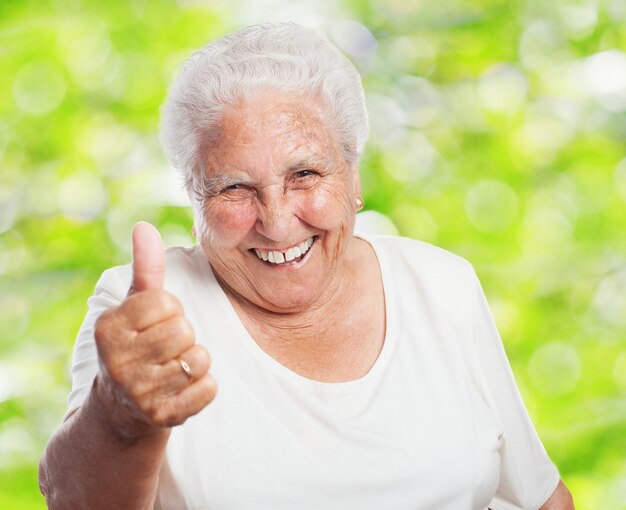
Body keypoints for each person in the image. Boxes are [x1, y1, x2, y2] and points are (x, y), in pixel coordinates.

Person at [39, 22, 574, 509]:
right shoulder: (144, 310)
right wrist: (118, 412)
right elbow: (69, 500)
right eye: (234, 188)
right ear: (193, 199)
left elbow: (543, 498)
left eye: (306, 175)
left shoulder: (441, 284)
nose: (276, 221)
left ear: (354, 176)